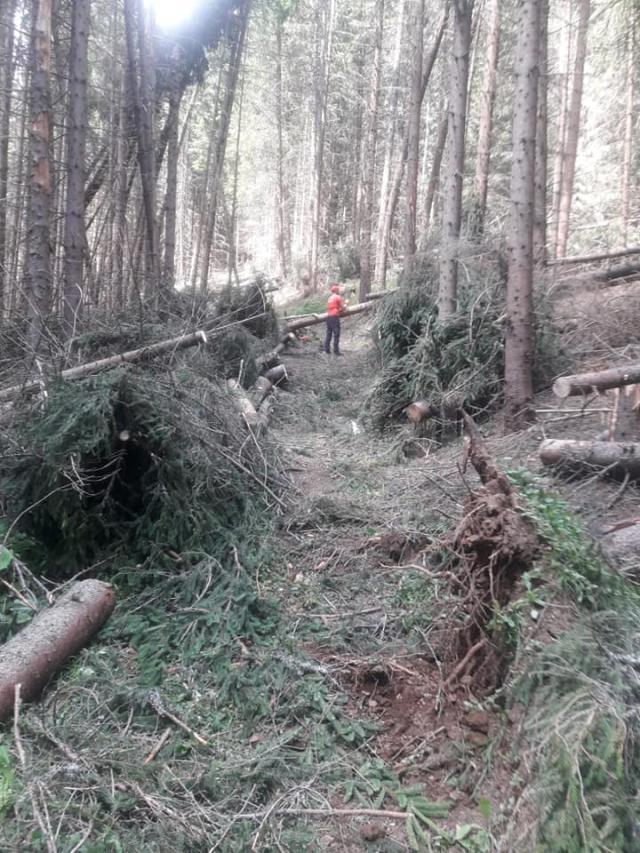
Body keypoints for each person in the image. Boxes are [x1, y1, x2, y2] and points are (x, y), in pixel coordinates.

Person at [324, 284, 346, 356]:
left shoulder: (329, 298)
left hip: (328, 317)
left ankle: (326, 350)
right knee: (336, 334)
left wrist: (338, 309)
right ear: (336, 290)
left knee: (329, 334)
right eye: (338, 290)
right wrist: (345, 306)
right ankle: (336, 352)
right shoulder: (338, 297)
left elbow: (332, 307)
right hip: (334, 317)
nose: (339, 291)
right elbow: (342, 308)